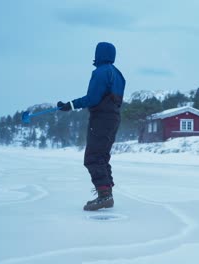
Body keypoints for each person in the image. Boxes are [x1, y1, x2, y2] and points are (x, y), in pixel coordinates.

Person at [57, 42, 125, 211]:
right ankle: (106, 194)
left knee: (93, 157)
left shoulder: (101, 72)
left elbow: (93, 98)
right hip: (113, 118)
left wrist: (69, 105)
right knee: (101, 156)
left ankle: (105, 196)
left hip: (101, 118)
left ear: (99, 54)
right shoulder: (118, 74)